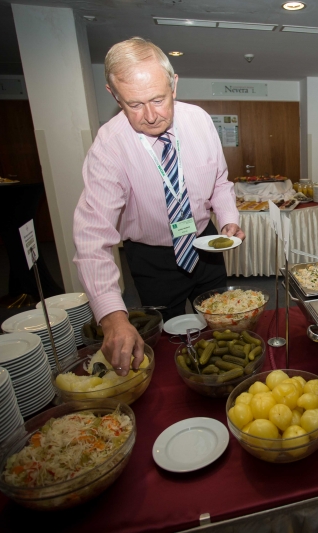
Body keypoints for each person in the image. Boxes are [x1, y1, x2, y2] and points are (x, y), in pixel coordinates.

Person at [74, 38, 244, 376]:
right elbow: (92, 238)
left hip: (205, 245)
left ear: (174, 83)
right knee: (167, 345)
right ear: (113, 94)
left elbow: (220, 182)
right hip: (151, 258)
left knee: (223, 329)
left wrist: (227, 219)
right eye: (134, 104)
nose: (150, 116)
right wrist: (113, 317)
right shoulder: (109, 146)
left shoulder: (199, 120)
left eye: (158, 99)